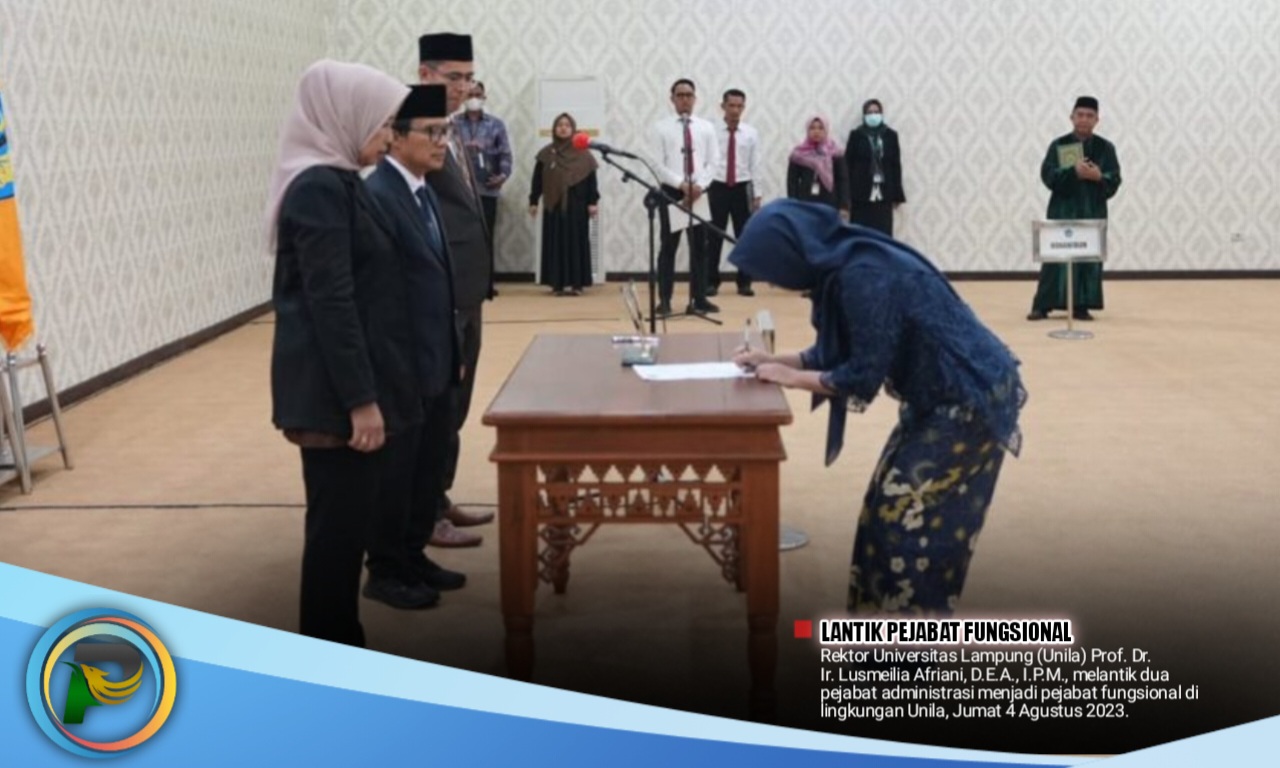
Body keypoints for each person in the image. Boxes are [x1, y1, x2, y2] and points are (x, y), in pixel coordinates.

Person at [730, 200, 1026, 615]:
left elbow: (862, 375)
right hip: (938, 395)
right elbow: (842, 350)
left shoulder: (862, 275)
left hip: (968, 398)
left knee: (907, 523)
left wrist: (790, 379)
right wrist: (776, 361)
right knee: (882, 513)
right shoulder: (845, 263)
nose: (772, 282)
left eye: (770, 269)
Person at [265, 60, 413, 645]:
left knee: (349, 530)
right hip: (333, 396)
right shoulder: (318, 189)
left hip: (353, 382)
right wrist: (361, 400)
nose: (388, 137)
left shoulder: (345, 180)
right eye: (382, 123)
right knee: (336, 536)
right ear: (343, 116)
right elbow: (331, 302)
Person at [362, 84, 468, 609]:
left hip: (436, 359)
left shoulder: (423, 191)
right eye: (431, 132)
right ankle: (385, 569)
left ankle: (413, 554)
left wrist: (454, 353)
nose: (441, 141)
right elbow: (380, 297)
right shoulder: (379, 196)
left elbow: (437, 282)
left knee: (427, 467)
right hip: (400, 366)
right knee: (395, 474)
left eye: (445, 131)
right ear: (397, 137)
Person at [418, 32, 494, 546]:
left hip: (467, 290)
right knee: (435, 407)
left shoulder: (451, 126)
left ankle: (439, 498)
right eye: (454, 77)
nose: (464, 87)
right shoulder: (412, 127)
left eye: (469, 78)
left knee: (457, 405)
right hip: (438, 292)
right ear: (425, 75)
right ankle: (423, 513)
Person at [1028, 96, 1122, 321]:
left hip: (1092, 211)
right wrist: (1073, 172)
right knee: (1055, 260)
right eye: (1080, 115)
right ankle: (1042, 305)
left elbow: (1115, 179)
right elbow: (1048, 175)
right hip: (1063, 210)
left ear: (1097, 120)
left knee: (1087, 260)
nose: (1084, 119)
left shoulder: (1105, 148)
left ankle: (1082, 305)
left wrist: (1099, 177)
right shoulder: (1059, 145)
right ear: (1072, 117)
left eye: (1090, 116)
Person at [650, 78, 720, 316]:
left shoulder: (706, 127)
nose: (685, 100)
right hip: (672, 192)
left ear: (695, 99)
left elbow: (714, 161)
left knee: (700, 248)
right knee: (668, 247)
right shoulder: (661, 128)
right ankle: (665, 300)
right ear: (672, 99)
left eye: (689, 95)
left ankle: (699, 299)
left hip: (699, 191)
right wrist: (681, 185)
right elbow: (657, 164)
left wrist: (698, 186)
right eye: (680, 95)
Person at [528, 113, 599, 295]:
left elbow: (591, 179)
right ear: (554, 129)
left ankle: (577, 284)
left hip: (577, 205)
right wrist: (533, 200)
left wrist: (592, 202)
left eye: (567, 125)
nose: (563, 128)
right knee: (555, 243)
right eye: (559, 125)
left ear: (573, 129)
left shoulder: (584, 154)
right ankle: (557, 284)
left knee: (576, 243)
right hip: (554, 205)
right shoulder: (546, 153)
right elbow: (537, 179)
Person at [454, 80, 513, 299]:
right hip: (460, 190)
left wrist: (503, 175)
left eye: (477, 94)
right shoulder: (453, 123)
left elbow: (505, 154)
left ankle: (487, 284)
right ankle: (463, 284)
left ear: (484, 97)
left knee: (485, 237)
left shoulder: (496, 124)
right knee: (462, 237)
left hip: (487, 189)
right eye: (470, 94)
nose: (474, 98)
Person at [706, 88, 763, 298]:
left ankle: (744, 282)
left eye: (739, 106)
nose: (735, 110)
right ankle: (710, 282)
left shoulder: (751, 133)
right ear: (723, 106)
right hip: (717, 186)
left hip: (742, 187)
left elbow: (755, 164)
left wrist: (757, 193)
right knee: (713, 236)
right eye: (731, 105)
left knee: (745, 236)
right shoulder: (711, 130)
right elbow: (705, 160)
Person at [845, 99, 906, 236]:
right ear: (864, 115)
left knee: (883, 235)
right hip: (860, 195)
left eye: (876, 112)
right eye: (870, 112)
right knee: (860, 235)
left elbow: (895, 165)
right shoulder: (856, 135)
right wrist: (846, 195)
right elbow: (847, 165)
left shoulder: (891, 136)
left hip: (884, 194)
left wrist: (897, 195)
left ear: (881, 114)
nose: (873, 115)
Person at [787, 115, 848, 219]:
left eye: (820, 128)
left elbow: (842, 180)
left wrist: (844, 206)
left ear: (826, 130)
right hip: (805, 204)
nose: (816, 131)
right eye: (812, 128)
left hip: (830, 203)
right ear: (807, 130)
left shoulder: (836, 153)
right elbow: (792, 182)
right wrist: (793, 205)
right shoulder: (798, 154)